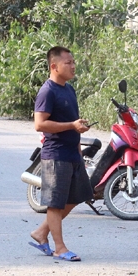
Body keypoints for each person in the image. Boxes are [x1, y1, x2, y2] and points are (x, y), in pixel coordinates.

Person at [28, 46, 91, 262]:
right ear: (54, 66)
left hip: (72, 153)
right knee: (55, 203)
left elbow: (72, 123)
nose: (73, 66)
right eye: (68, 63)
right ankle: (59, 247)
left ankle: (40, 232)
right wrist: (71, 125)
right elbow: (40, 124)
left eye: (73, 62)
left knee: (76, 198)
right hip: (55, 154)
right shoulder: (48, 91)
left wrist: (78, 144)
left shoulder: (69, 90)